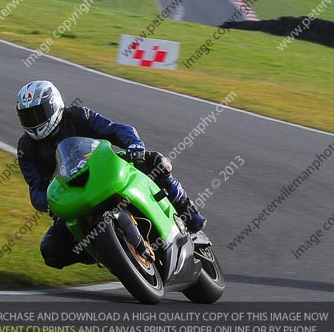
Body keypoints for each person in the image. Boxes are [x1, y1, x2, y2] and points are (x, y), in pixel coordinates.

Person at [15, 80, 206, 269]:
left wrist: (134, 144)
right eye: (27, 117)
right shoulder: (26, 148)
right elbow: (35, 189)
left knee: (155, 162)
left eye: (37, 114)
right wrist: (47, 203)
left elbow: (114, 129)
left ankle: (189, 212)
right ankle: (105, 252)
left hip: (104, 172)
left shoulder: (76, 116)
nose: (33, 121)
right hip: (71, 196)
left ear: (53, 105)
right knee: (51, 250)